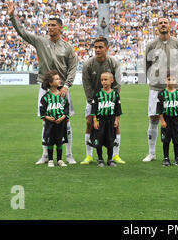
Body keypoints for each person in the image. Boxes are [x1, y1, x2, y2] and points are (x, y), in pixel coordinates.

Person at [7, 2, 78, 165]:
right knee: (46, 120)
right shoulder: (40, 41)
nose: (50, 28)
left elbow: (73, 68)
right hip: (45, 87)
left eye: (53, 25)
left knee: (65, 120)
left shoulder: (67, 47)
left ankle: (68, 155)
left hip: (62, 89)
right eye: (49, 25)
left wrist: (67, 85)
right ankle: (45, 154)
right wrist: (12, 16)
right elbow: (22, 32)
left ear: (61, 28)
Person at [143, 17, 178, 162]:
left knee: (176, 119)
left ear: (170, 26)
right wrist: (154, 79)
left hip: (174, 88)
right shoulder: (151, 45)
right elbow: (146, 65)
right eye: (160, 23)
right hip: (156, 88)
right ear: (157, 27)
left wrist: (177, 79)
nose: (163, 25)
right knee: (154, 118)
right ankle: (151, 153)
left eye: (165, 23)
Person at [80, 36, 124, 165]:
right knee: (89, 123)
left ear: (107, 48)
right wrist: (93, 101)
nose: (98, 50)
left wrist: (111, 99)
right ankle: (89, 156)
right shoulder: (88, 64)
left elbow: (117, 84)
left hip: (110, 100)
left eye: (100, 47)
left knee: (115, 126)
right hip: (93, 101)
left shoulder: (114, 63)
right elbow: (86, 85)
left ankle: (115, 155)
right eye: (96, 47)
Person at [88, 72, 122, 167]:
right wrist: (95, 120)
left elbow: (117, 109)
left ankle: (110, 159)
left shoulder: (115, 94)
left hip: (110, 120)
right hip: (100, 120)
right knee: (98, 139)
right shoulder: (97, 94)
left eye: (105, 79)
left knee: (110, 140)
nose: (103, 81)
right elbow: (94, 108)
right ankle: (100, 159)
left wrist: (116, 120)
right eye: (102, 80)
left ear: (112, 80)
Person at [157, 71, 178, 167]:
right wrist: (162, 120)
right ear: (165, 80)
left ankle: (177, 158)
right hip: (166, 119)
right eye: (169, 79)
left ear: (176, 81)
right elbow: (159, 109)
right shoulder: (161, 94)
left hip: (177, 120)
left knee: (177, 139)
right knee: (166, 139)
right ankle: (166, 158)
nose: (171, 81)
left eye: (173, 79)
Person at [39, 70, 70, 168]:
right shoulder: (45, 97)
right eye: (56, 79)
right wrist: (48, 118)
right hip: (50, 124)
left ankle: (60, 160)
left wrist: (63, 117)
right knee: (50, 141)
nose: (59, 80)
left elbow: (66, 108)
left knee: (60, 141)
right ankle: (51, 160)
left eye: (59, 78)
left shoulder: (62, 96)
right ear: (50, 83)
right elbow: (42, 111)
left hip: (61, 123)